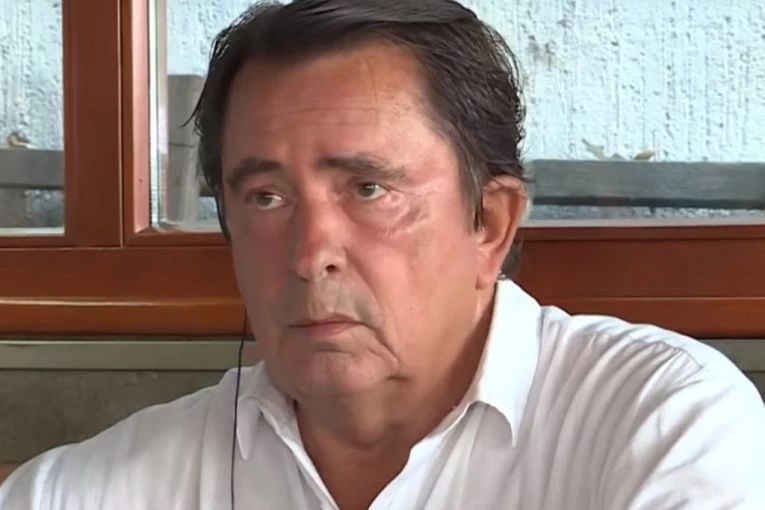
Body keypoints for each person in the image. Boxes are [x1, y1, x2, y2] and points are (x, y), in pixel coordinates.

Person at [2, 0, 764, 508]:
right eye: (265, 197)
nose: (310, 255)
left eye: (368, 189)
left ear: (489, 223)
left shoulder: (658, 418)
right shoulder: (116, 482)